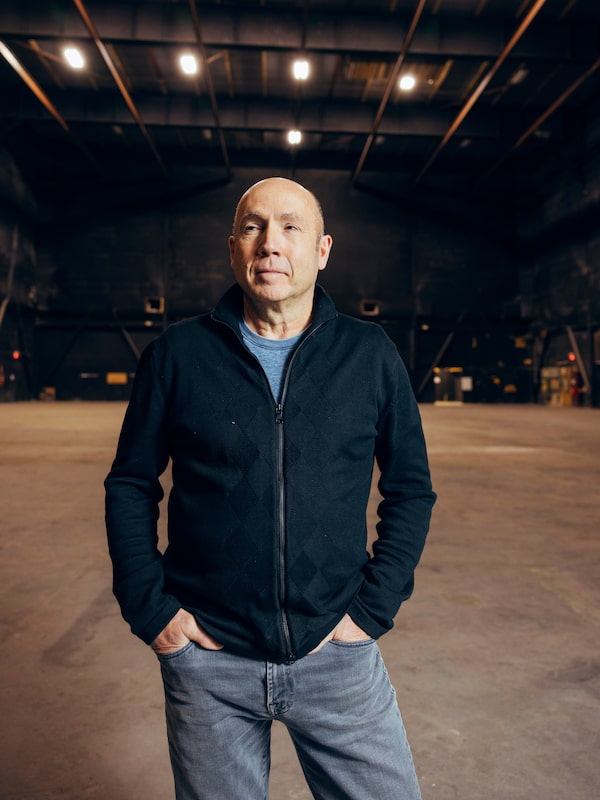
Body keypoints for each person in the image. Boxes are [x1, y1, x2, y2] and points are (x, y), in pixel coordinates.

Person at [105, 176, 436, 800]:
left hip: (335, 654)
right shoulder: (177, 354)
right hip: (209, 662)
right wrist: (153, 612)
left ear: (322, 250)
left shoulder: (368, 354)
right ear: (234, 247)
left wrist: (371, 610)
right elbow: (130, 484)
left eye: (290, 227)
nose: (270, 244)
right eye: (253, 227)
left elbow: (411, 489)